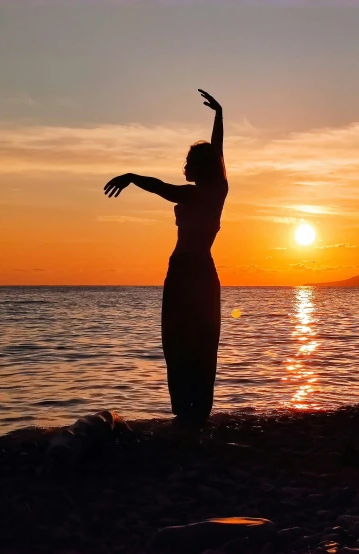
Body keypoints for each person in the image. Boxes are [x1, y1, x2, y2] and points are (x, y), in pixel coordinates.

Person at [103, 89, 227, 427]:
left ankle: (193, 411)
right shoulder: (218, 191)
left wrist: (131, 177)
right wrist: (219, 115)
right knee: (185, 339)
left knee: (190, 339)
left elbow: (161, 187)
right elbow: (217, 153)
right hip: (191, 271)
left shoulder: (201, 193)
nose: (184, 166)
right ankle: (191, 409)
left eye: (188, 162)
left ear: (200, 168)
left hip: (192, 272)